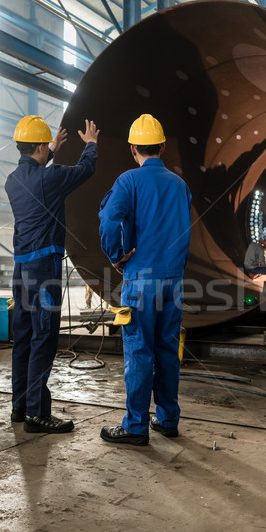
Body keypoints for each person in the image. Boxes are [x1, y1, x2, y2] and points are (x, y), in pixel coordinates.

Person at [98, 114, 192, 446]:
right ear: (163, 147)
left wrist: (116, 254)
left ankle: (136, 427)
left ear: (132, 149)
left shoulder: (128, 181)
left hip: (141, 282)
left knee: (139, 352)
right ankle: (167, 420)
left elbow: (110, 219)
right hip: (174, 282)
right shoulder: (180, 185)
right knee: (168, 350)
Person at [5, 115, 99, 433]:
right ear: (42, 146)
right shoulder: (52, 177)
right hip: (44, 270)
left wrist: (51, 152)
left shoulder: (12, 180)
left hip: (21, 272)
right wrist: (91, 146)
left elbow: (39, 180)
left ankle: (20, 405)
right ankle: (37, 413)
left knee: (24, 338)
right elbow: (86, 170)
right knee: (44, 337)